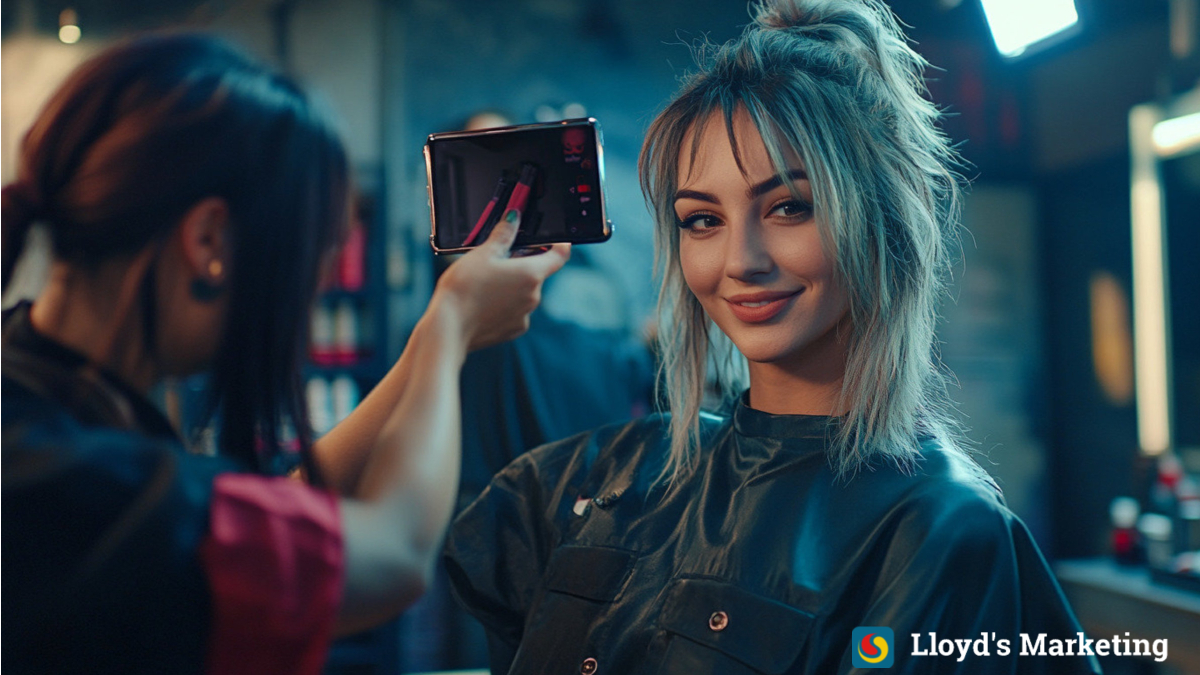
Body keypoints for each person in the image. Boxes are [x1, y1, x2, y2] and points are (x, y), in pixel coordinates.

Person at [443, 1, 1100, 673]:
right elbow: (359, 554)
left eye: (789, 207)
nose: (739, 261)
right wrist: (448, 325)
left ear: (883, 218)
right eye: (702, 219)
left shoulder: (941, 530)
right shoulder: (604, 474)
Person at [0, 33, 569, 675]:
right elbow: (393, 554)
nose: (310, 291)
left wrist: (427, 344)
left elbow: (268, 509)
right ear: (208, 238)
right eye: (304, 258)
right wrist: (452, 327)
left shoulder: (41, 389)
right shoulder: (73, 481)